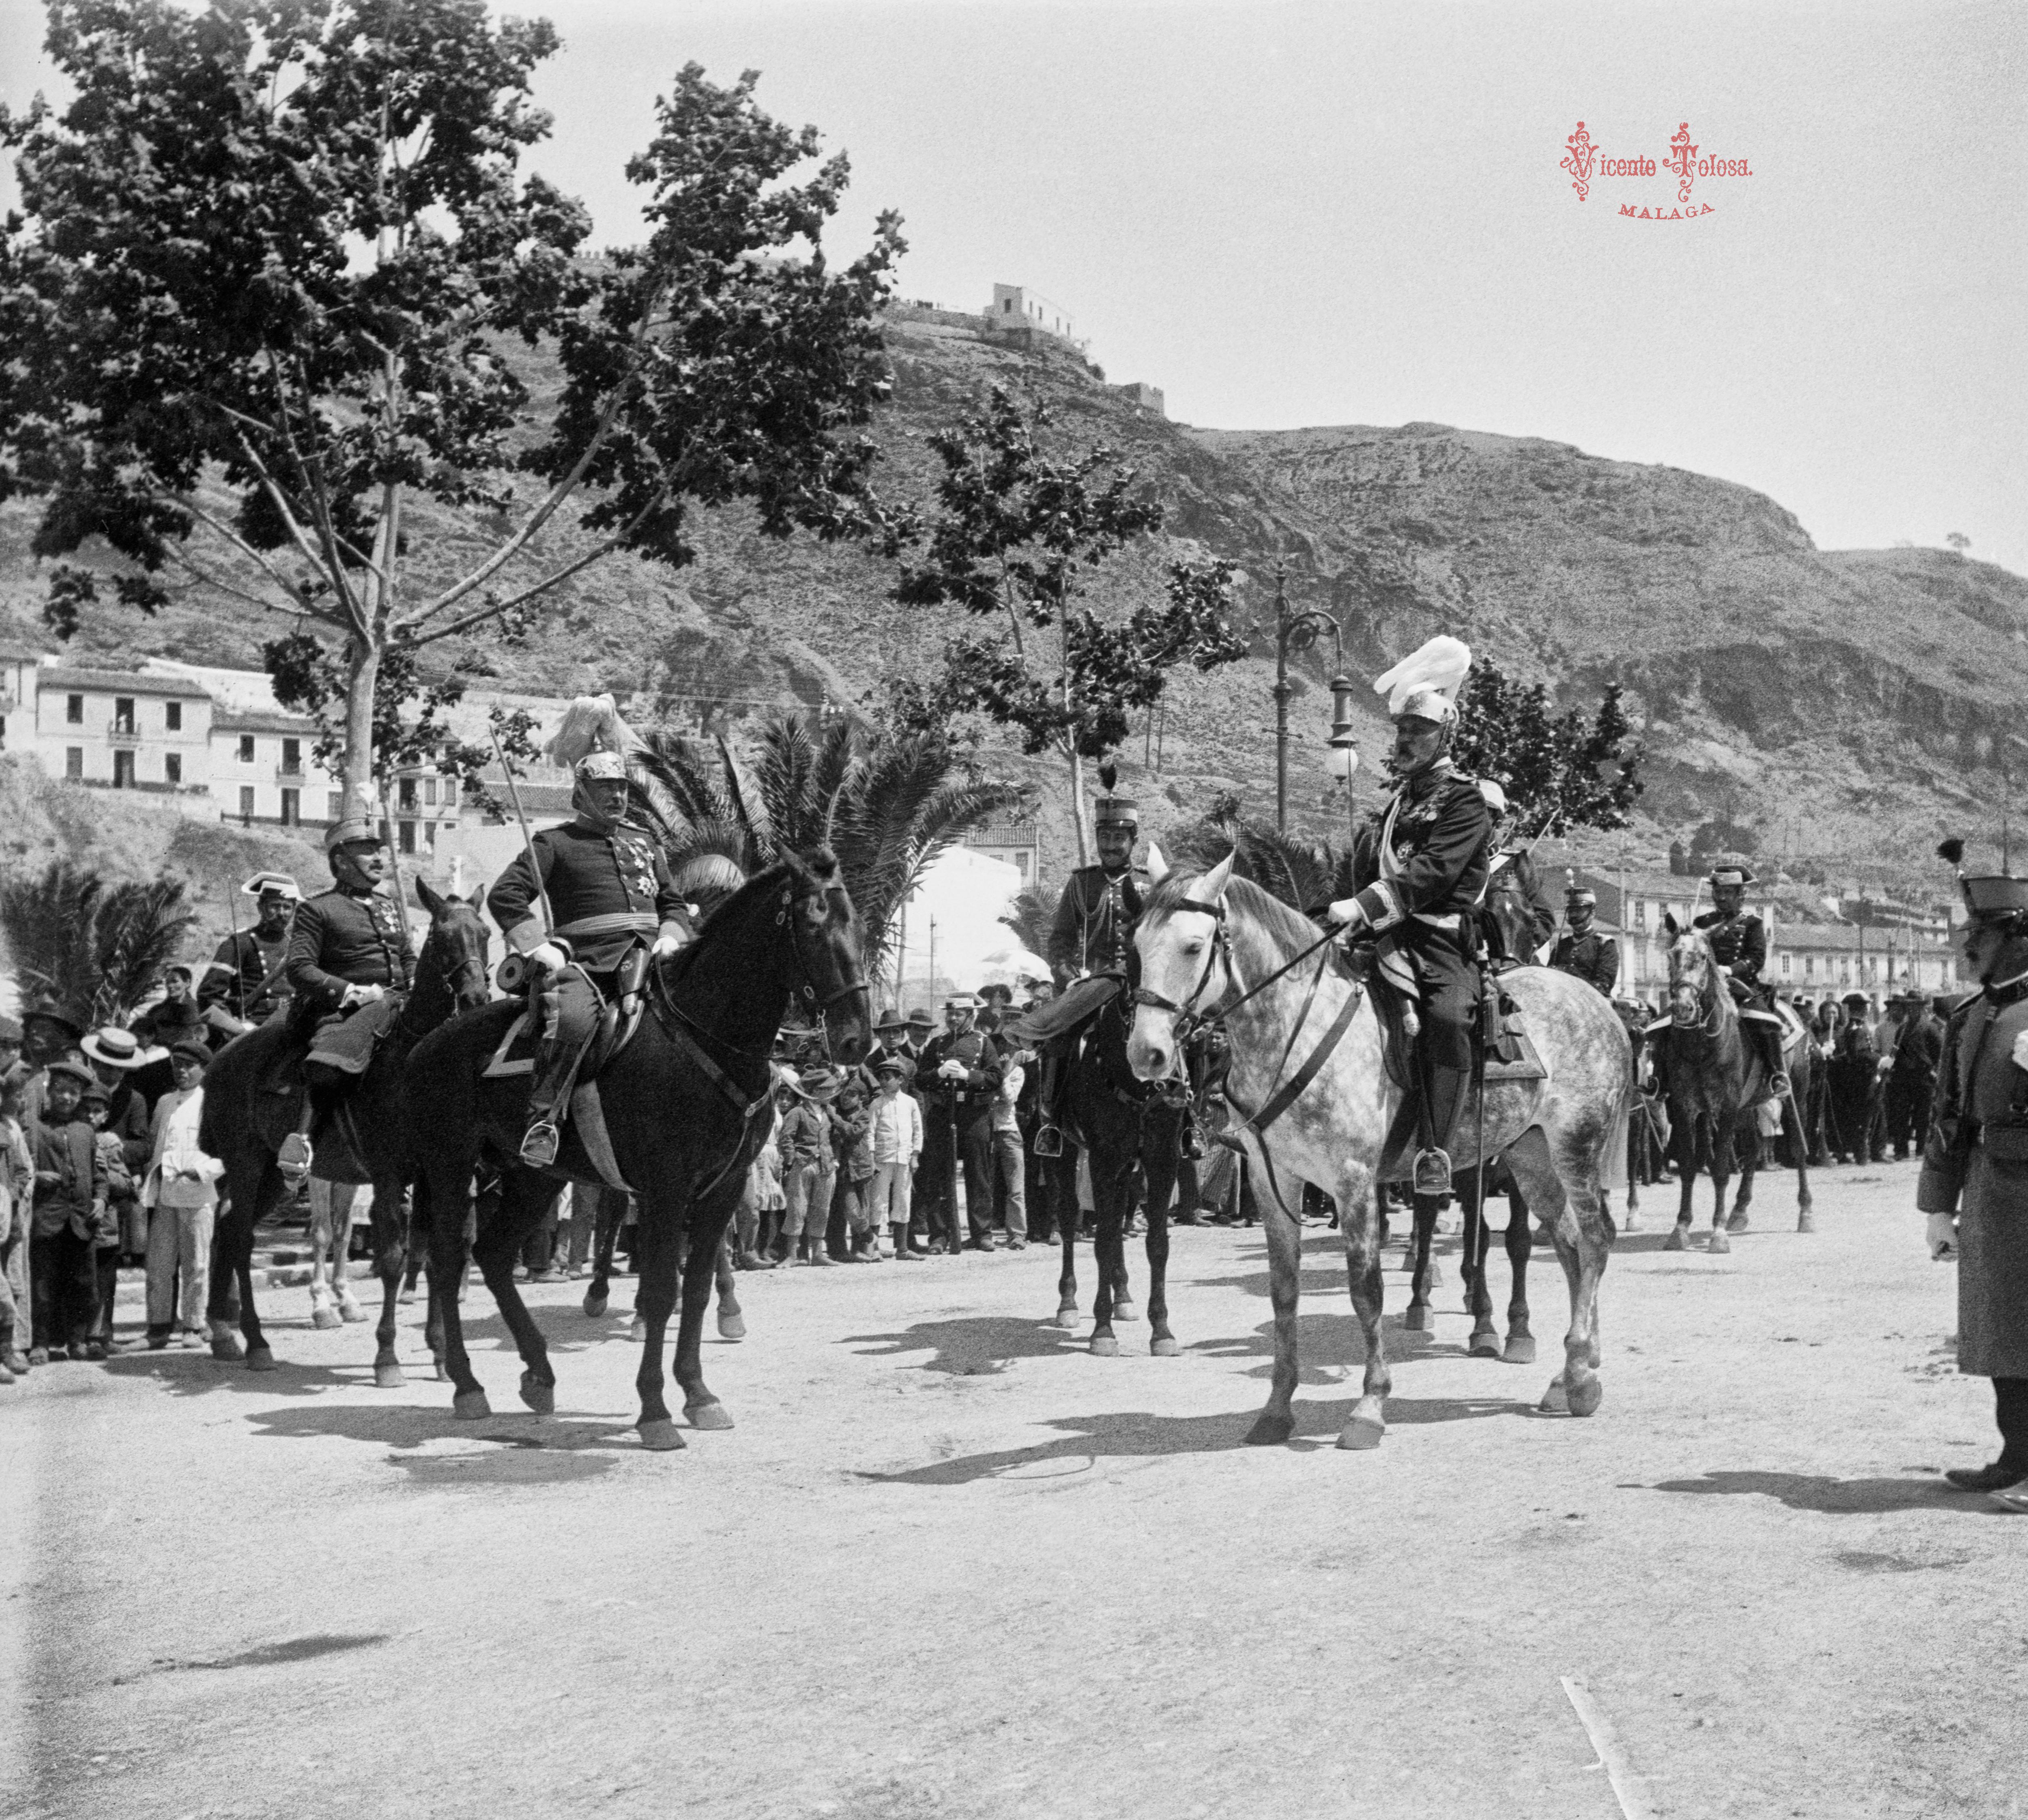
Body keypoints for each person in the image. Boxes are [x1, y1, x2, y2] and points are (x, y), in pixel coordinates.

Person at [1328, 634, 1492, 1199]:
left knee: (1447, 1022)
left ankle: (1436, 1151)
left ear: (1443, 735)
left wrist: (1365, 904)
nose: (1405, 739)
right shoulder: (1399, 803)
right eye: (1401, 730)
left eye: (1417, 731)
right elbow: (1370, 868)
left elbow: (1433, 875)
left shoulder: (1465, 802)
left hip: (1439, 943)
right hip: (1385, 935)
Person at [488, 746, 690, 1167]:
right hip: (589, 961)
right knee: (574, 1019)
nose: (617, 796)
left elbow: (671, 902)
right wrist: (536, 944)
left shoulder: (644, 841)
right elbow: (505, 894)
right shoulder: (556, 842)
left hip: (654, 957)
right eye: (605, 789)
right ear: (580, 794)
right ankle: (543, 1121)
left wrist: (671, 934)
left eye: (621, 788)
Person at [1916, 858, 2028, 1504]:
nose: (1966, 942)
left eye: (1979, 933)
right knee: (1999, 1334)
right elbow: (1947, 1115)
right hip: (1988, 1193)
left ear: (2017, 936)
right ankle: (2016, 1454)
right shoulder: (1969, 1016)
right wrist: (1938, 1206)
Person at [279, 818, 418, 1175]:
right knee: (329, 1066)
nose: (378, 858)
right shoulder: (318, 908)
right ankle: (303, 1138)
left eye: (379, 850)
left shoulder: (391, 906)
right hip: (344, 1012)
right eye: (367, 850)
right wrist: (349, 991)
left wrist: (417, 978)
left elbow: (406, 957)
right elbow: (299, 968)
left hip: (400, 1005)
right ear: (340, 860)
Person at [1035, 792, 1147, 1157]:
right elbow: (1060, 943)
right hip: (1092, 982)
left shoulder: (1149, 884)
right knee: (1058, 1037)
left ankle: (1188, 1120)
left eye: (1119, 839)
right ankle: (1051, 1120)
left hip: (1141, 982)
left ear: (1133, 840)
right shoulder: (1081, 884)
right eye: (1105, 838)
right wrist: (1070, 978)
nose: (1111, 846)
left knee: (1183, 1033)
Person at [26, 1058, 108, 1364]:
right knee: (44, 1284)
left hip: (81, 1220)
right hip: (47, 1218)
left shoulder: (85, 1131)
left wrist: (100, 1199)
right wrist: (38, 1177)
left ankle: (78, 1341)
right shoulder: (36, 1128)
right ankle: (40, 1343)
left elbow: (99, 1174)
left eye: (74, 1093)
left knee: (83, 1284)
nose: (67, 1098)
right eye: (61, 1091)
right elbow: (23, 1168)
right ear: (50, 1091)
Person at [915, 994, 1004, 1253]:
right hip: (943, 1113)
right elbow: (921, 1080)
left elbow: (996, 1078)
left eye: (959, 1014)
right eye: (950, 1014)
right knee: (939, 1176)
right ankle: (940, 1235)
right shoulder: (937, 1044)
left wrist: (969, 1075)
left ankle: (982, 1234)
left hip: (974, 1115)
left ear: (971, 1015)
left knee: (979, 1175)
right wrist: (939, 1074)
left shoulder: (984, 1043)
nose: (953, 1018)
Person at [1692, 862, 1789, 1096]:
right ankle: (1661, 1079)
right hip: (1705, 987)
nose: (1721, 898)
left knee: (1765, 1024)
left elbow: (1756, 959)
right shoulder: (1702, 923)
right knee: (1671, 1020)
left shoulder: (1752, 923)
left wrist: (1730, 970)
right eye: (1717, 892)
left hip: (1740, 987)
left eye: (1727, 893)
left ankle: (1777, 1074)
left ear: (1741, 895)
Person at [200, 871, 300, 1023]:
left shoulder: (297, 946)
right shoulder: (239, 943)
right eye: (275, 906)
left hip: (293, 1022)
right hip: (253, 1025)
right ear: (260, 908)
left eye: (287, 907)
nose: (281, 913)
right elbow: (208, 996)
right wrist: (235, 1028)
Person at [1479, 781, 1557, 968]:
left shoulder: (1517, 865)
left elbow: (1545, 918)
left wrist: (1516, 949)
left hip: (1509, 959)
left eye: (1484, 814)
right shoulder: (1450, 860)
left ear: (1496, 821)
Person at [774, 1065, 838, 1266]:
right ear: (813, 1092)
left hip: (826, 1167)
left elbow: (836, 1136)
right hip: (803, 1165)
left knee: (822, 1209)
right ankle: (792, 1255)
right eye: (827, 1090)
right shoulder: (797, 1112)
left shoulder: (829, 1113)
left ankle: (818, 1254)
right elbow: (786, 1138)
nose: (831, 1094)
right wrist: (792, 1160)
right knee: (797, 1209)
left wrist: (834, 1160)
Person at [866, 1059, 923, 1261]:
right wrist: (872, 1159)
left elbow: (918, 1130)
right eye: (881, 1078)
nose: (884, 1082)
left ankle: (902, 1248)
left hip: (904, 1160)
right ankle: (873, 1248)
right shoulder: (877, 1104)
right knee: (878, 1202)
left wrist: (915, 1155)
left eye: (888, 1078)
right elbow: (870, 1133)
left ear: (900, 1079)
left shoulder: (910, 1103)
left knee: (903, 1201)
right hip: (883, 1159)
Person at [0, 1065, 32, 1382]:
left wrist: (15, 1191)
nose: (19, 1101)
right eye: (15, 1094)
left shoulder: (11, 1128)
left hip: (8, 1218)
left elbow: (23, 1169)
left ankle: (11, 1347)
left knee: (13, 1282)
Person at [1885, 989, 1943, 1161]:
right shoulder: (1902, 1029)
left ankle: (1921, 1149)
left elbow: (1940, 1054)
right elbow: (1896, 1052)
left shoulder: (1931, 1028)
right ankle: (1901, 1149)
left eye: (1916, 1007)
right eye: (1909, 1007)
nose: (1912, 1010)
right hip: (1903, 1078)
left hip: (1924, 1078)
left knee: (1923, 1116)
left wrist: (1934, 1072)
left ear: (1922, 1008)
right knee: (1901, 1115)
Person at [992, 1041, 1031, 1249]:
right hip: (988, 1132)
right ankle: (984, 1233)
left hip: (1009, 1133)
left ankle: (1017, 1235)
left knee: (1016, 1188)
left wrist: (1005, 1074)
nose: (1005, 1055)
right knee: (984, 1186)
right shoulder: (987, 1071)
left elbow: (1009, 1098)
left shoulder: (1018, 1073)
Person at [1551, 887, 1620, 996]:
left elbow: (1603, 987)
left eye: (1579, 911)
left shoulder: (1605, 945)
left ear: (1592, 913)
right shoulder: (1562, 946)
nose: (1573, 916)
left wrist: (1569, 972)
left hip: (1593, 1002)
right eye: (1571, 911)